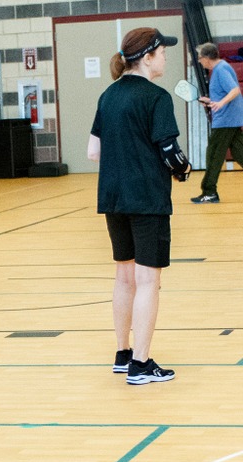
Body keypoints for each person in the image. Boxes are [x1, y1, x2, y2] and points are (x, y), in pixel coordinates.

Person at [87, 28, 190, 385]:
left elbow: (93, 151)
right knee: (149, 281)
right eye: (162, 52)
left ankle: (123, 354)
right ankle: (142, 365)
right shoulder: (156, 97)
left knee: (124, 277)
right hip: (146, 198)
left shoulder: (108, 95)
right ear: (147, 56)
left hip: (113, 198)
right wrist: (183, 170)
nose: (165, 58)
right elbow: (170, 152)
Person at [191, 42, 243, 203]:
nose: (199, 61)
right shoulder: (221, 68)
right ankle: (209, 191)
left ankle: (209, 192)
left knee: (213, 155)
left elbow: (235, 90)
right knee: (240, 153)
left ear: (207, 58)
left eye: (200, 58)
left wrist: (220, 104)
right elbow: (226, 93)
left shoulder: (221, 69)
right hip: (231, 119)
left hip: (225, 121)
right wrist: (211, 101)